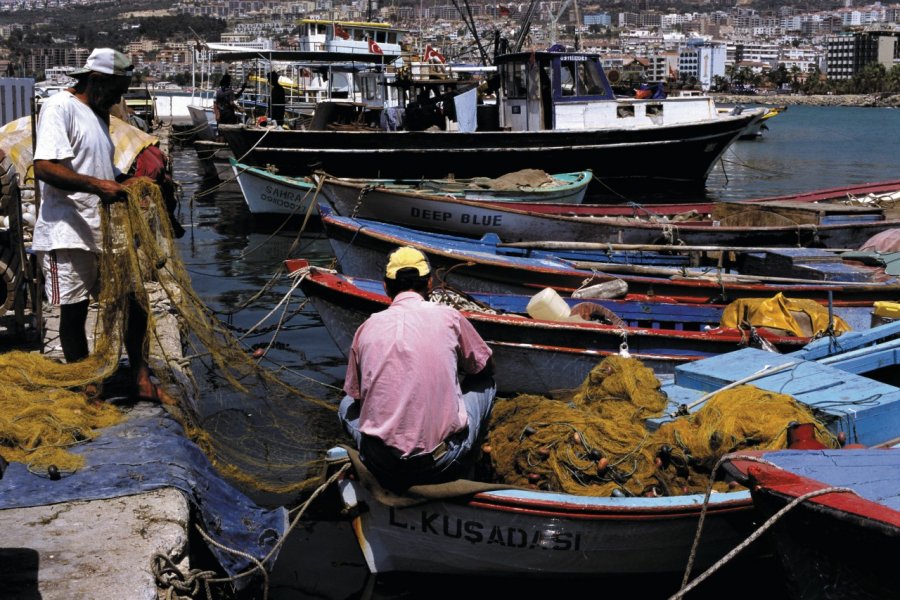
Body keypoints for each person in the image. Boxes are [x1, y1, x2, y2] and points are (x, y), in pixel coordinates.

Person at [31, 47, 173, 405]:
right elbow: (45, 167)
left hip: (104, 228)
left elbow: (99, 169)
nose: (119, 98)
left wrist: (125, 181)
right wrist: (98, 186)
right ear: (96, 80)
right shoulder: (59, 107)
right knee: (74, 311)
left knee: (135, 301)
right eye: (116, 89)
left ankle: (141, 379)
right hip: (69, 229)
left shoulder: (98, 115)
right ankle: (87, 388)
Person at [339, 246, 496, 490]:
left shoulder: (367, 327)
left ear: (385, 287)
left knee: (345, 404)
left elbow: (356, 394)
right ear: (430, 283)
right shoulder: (450, 317)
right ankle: (469, 461)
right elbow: (484, 368)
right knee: (486, 383)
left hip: (382, 461)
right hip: (441, 460)